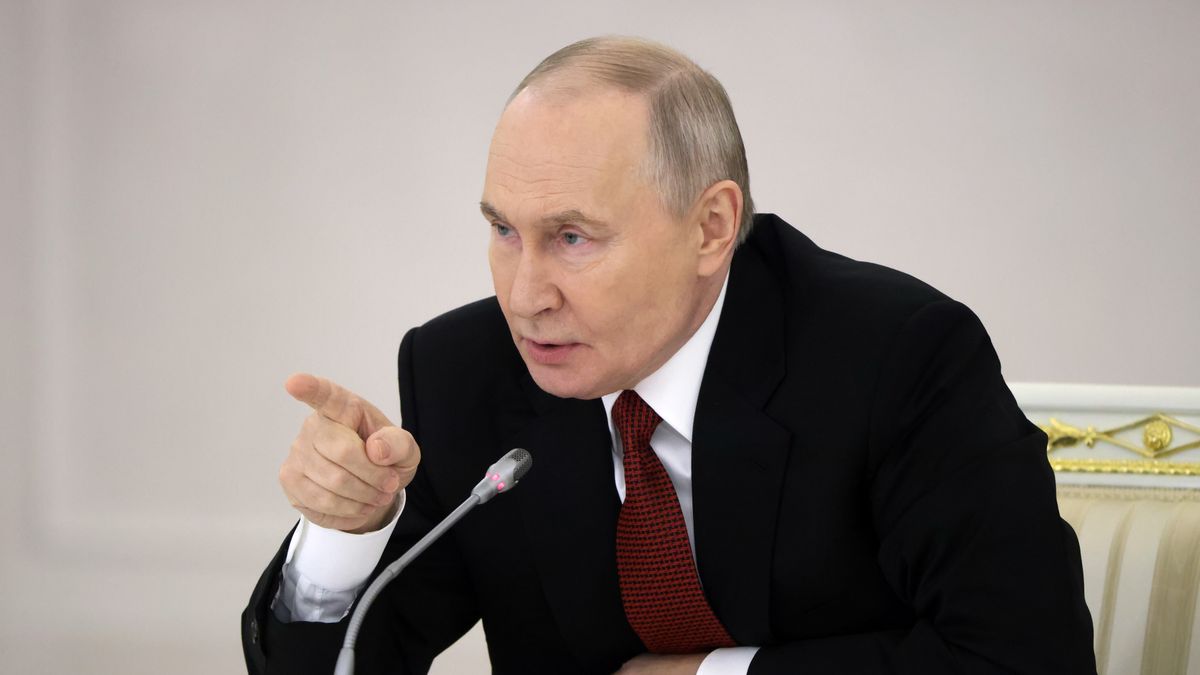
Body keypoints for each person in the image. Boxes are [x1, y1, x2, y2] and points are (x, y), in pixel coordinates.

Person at [241, 36, 1096, 674]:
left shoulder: (896, 356)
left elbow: (1028, 657)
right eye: (503, 230)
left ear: (711, 227)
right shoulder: (466, 371)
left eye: (572, 237)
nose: (525, 295)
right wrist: (345, 533)